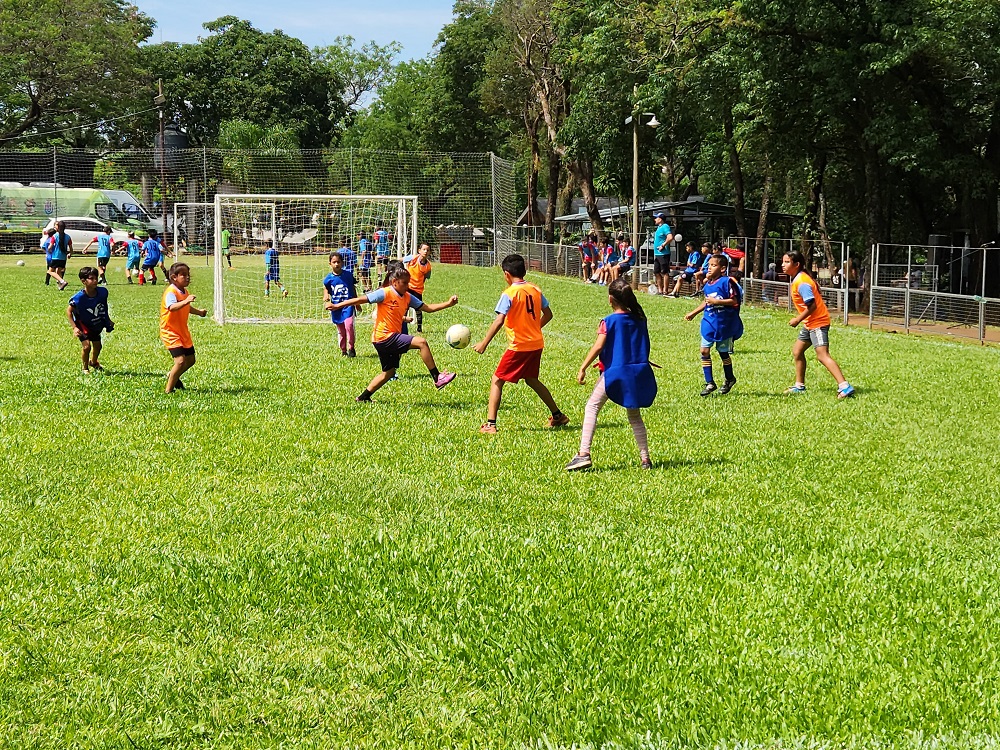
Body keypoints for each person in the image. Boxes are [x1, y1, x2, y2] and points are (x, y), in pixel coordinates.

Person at [472, 253, 569, 434]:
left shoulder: (509, 293)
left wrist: (484, 342)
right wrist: (534, 328)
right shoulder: (535, 289)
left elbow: (499, 320)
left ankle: (490, 425)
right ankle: (558, 416)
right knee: (532, 380)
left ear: (507, 274)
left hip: (519, 346)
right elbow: (548, 314)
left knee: (497, 380)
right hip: (536, 344)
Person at [331, 265, 458, 402]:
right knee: (422, 342)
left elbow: (428, 308)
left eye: (408, 283)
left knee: (389, 373)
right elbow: (360, 299)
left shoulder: (408, 297)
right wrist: (337, 306)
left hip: (383, 339)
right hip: (384, 336)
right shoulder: (385, 293)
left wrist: (448, 304)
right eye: (404, 283)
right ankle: (437, 377)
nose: (407, 286)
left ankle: (363, 397)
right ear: (394, 282)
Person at [565, 278, 656, 471]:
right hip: (637, 373)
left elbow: (599, 346)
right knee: (634, 415)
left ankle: (583, 454)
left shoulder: (608, 321)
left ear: (610, 299)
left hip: (615, 373)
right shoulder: (640, 318)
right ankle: (645, 459)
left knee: (592, 407)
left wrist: (583, 367)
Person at [782, 250, 855, 398]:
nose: (783, 265)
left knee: (822, 355)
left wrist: (797, 319)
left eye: (787, 262)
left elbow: (812, 306)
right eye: (783, 261)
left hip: (818, 323)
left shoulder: (802, 282)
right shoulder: (799, 279)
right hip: (810, 323)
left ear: (797, 264)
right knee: (797, 351)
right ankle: (799, 386)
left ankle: (844, 386)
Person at [684, 254, 743, 396]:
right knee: (704, 351)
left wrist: (717, 302)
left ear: (723, 268)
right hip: (709, 322)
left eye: (713, 265)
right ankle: (710, 382)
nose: (709, 268)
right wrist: (693, 313)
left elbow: (734, 301)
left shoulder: (727, 282)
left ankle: (729, 378)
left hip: (724, 324)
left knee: (723, 353)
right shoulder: (708, 284)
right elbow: (706, 301)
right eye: (709, 265)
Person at [160, 262, 207, 394]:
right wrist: (186, 301)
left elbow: (185, 307)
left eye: (188, 275)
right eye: (184, 275)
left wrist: (199, 312)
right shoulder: (171, 292)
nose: (187, 278)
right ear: (174, 277)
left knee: (191, 360)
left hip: (182, 331)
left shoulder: (184, 291)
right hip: (170, 332)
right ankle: (169, 391)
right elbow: (172, 307)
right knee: (180, 361)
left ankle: (173, 375)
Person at [67, 266, 115, 374]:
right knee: (87, 347)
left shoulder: (102, 292)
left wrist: (108, 320)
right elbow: (69, 311)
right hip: (82, 325)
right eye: (91, 278)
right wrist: (74, 327)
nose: (95, 281)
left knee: (98, 346)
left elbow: (103, 307)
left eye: (96, 278)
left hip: (95, 324)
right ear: (83, 281)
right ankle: (85, 368)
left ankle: (93, 362)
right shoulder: (78, 298)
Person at [323, 251, 359, 357]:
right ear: (330, 263)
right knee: (341, 330)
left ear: (342, 263)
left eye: (338, 262)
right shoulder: (328, 279)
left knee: (349, 325)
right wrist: (326, 296)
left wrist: (357, 303)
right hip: (336, 307)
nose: (336, 264)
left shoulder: (348, 275)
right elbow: (326, 288)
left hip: (348, 305)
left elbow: (352, 288)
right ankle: (343, 350)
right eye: (334, 262)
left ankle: (351, 348)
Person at [404, 243, 432, 333]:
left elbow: (425, 277)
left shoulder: (428, 266)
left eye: (427, 250)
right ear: (419, 251)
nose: (425, 251)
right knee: (404, 307)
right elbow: (400, 260)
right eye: (424, 249)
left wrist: (419, 286)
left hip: (418, 290)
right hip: (407, 288)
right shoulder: (412, 258)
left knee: (419, 309)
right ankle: (402, 325)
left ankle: (419, 328)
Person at [652, 213, 674, 295]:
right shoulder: (659, 228)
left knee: (665, 272)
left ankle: (665, 291)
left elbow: (670, 237)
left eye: (656, 218)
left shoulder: (665, 226)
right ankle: (660, 290)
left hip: (663, 254)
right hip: (657, 254)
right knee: (656, 272)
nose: (655, 219)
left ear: (660, 219)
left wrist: (663, 245)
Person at [47, 220, 73, 290]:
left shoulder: (55, 236)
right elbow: (71, 248)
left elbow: (50, 246)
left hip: (56, 257)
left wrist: (49, 249)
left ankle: (62, 281)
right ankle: (60, 286)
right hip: (63, 258)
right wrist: (70, 254)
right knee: (59, 272)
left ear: (58, 227)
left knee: (50, 271)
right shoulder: (68, 237)